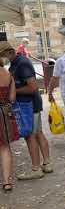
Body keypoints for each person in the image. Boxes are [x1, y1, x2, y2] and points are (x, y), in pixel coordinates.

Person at [0, 42, 53, 180]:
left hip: (29, 104)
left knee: (30, 136)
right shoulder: (16, 63)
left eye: (2, 55)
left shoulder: (21, 63)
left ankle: (36, 168)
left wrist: (11, 91)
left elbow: (33, 87)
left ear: (8, 52)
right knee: (37, 133)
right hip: (31, 103)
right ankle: (47, 163)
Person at [0, 54, 19, 192]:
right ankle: (7, 182)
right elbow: (12, 98)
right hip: (5, 113)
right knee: (5, 148)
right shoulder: (8, 74)